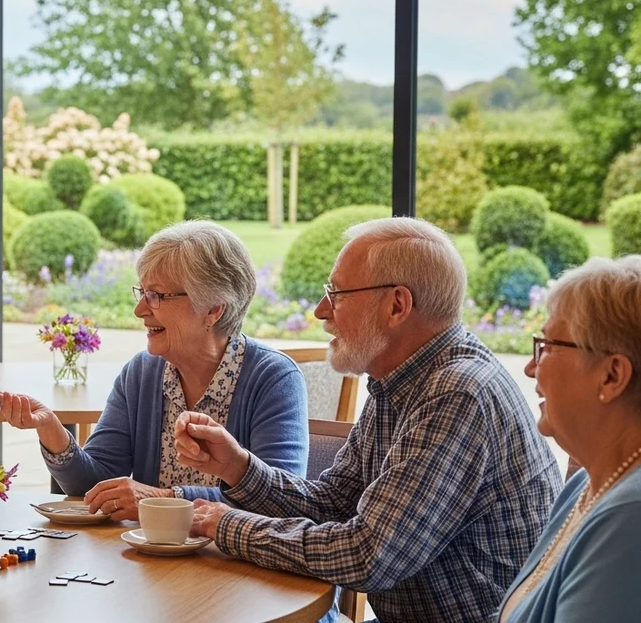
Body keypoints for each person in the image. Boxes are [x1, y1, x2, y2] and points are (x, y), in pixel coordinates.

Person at [176, 217, 561, 622]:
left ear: (397, 305)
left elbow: (369, 555)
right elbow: (335, 503)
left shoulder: (457, 392)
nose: (321, 310)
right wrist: (237, 467)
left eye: (337, 293)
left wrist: (228, 525)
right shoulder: (400, 380)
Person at [0, 220, 308, 521]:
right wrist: (52, 431)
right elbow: (94, 487)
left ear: (213, 308)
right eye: (142, 293)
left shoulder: (273, 379)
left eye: (157, 296)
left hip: (236, 569)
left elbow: (279, 503)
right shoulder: (142, 374)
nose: (139, 310)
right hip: (152, 565)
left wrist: (162, 500)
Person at [497, 256, 641, 622]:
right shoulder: (584, 483)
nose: (530, 366)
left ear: (611, 376)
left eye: (546, 346)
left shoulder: (630, 518)